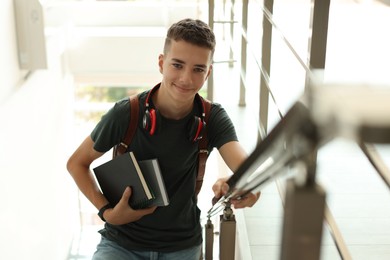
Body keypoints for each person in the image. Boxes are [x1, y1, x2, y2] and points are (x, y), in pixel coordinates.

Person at [67, 18, 260, 260]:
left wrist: (243, 183)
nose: (186, 79)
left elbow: (245, 167)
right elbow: (76, 163)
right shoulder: (126, 113)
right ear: (161, 63)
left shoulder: (213, 117)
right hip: (121, 244)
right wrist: (107, 212)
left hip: (182, 246)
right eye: (177, 65)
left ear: (208, 72)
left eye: (198, 69)